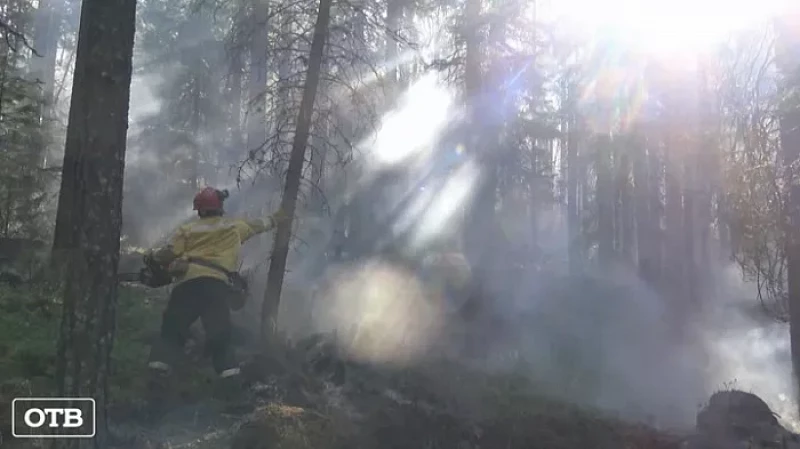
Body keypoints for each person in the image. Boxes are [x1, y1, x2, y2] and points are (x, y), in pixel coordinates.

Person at [144, 186, 285, 408]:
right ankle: (231, 390)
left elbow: (167, 253)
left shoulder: (187, 229)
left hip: (187, 286)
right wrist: (279, 217)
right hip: (216, 288)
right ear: (219, 207)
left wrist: (150, 256)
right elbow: (260, 225)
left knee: (172, 330)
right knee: (220, 337)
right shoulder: (234, 227)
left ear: (199, 210)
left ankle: (157, 383)